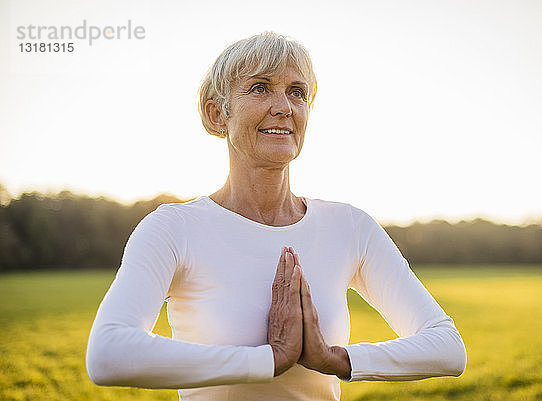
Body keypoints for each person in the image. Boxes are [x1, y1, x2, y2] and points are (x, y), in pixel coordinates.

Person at [86, 31, 467, 401]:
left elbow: (448, 347)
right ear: (218, 113)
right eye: (260, 87)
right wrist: (268, 360)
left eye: (297, 92)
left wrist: (335, 358)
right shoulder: (173, 228)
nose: (284, 106)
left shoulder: (350, 227)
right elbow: (109, 353)